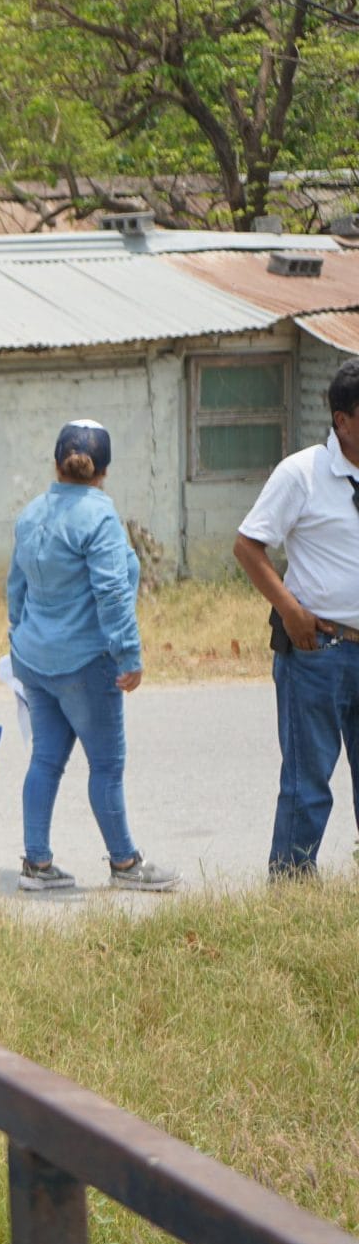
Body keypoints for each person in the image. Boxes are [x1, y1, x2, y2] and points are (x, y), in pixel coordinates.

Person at [6, 422, 180, 894]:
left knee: (45, 760)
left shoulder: (30, 514)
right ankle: (125, 864)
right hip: (85, 663)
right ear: (103, 472)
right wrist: (129, 654)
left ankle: (36, 866)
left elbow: (16, 588)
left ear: (56, 463)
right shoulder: (99, 518)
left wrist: (16, 640)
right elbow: (112, 592)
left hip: (35, 660)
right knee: (105, 767)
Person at [234, 357, 359, 877]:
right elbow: (248, 546)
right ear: (343, 420)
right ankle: (290, 888)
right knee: (309, 785)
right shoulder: (303, 473)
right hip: (319, 653)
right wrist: (291, 612)